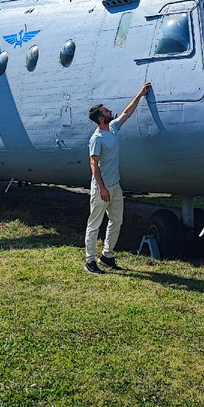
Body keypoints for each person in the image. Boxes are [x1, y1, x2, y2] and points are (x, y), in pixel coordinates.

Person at [84, 80, 152, 273]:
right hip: (102, 188)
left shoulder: (112, 127)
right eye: (106, 111)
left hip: (115, 185)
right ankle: (90, 261)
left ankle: (107, 255)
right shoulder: (97, 138)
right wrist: (102, 188)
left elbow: (126, 113)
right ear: (101, 118)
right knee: (94, 224)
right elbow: (93, 164)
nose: (110, 111)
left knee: (116, 220)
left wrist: (140, 94)